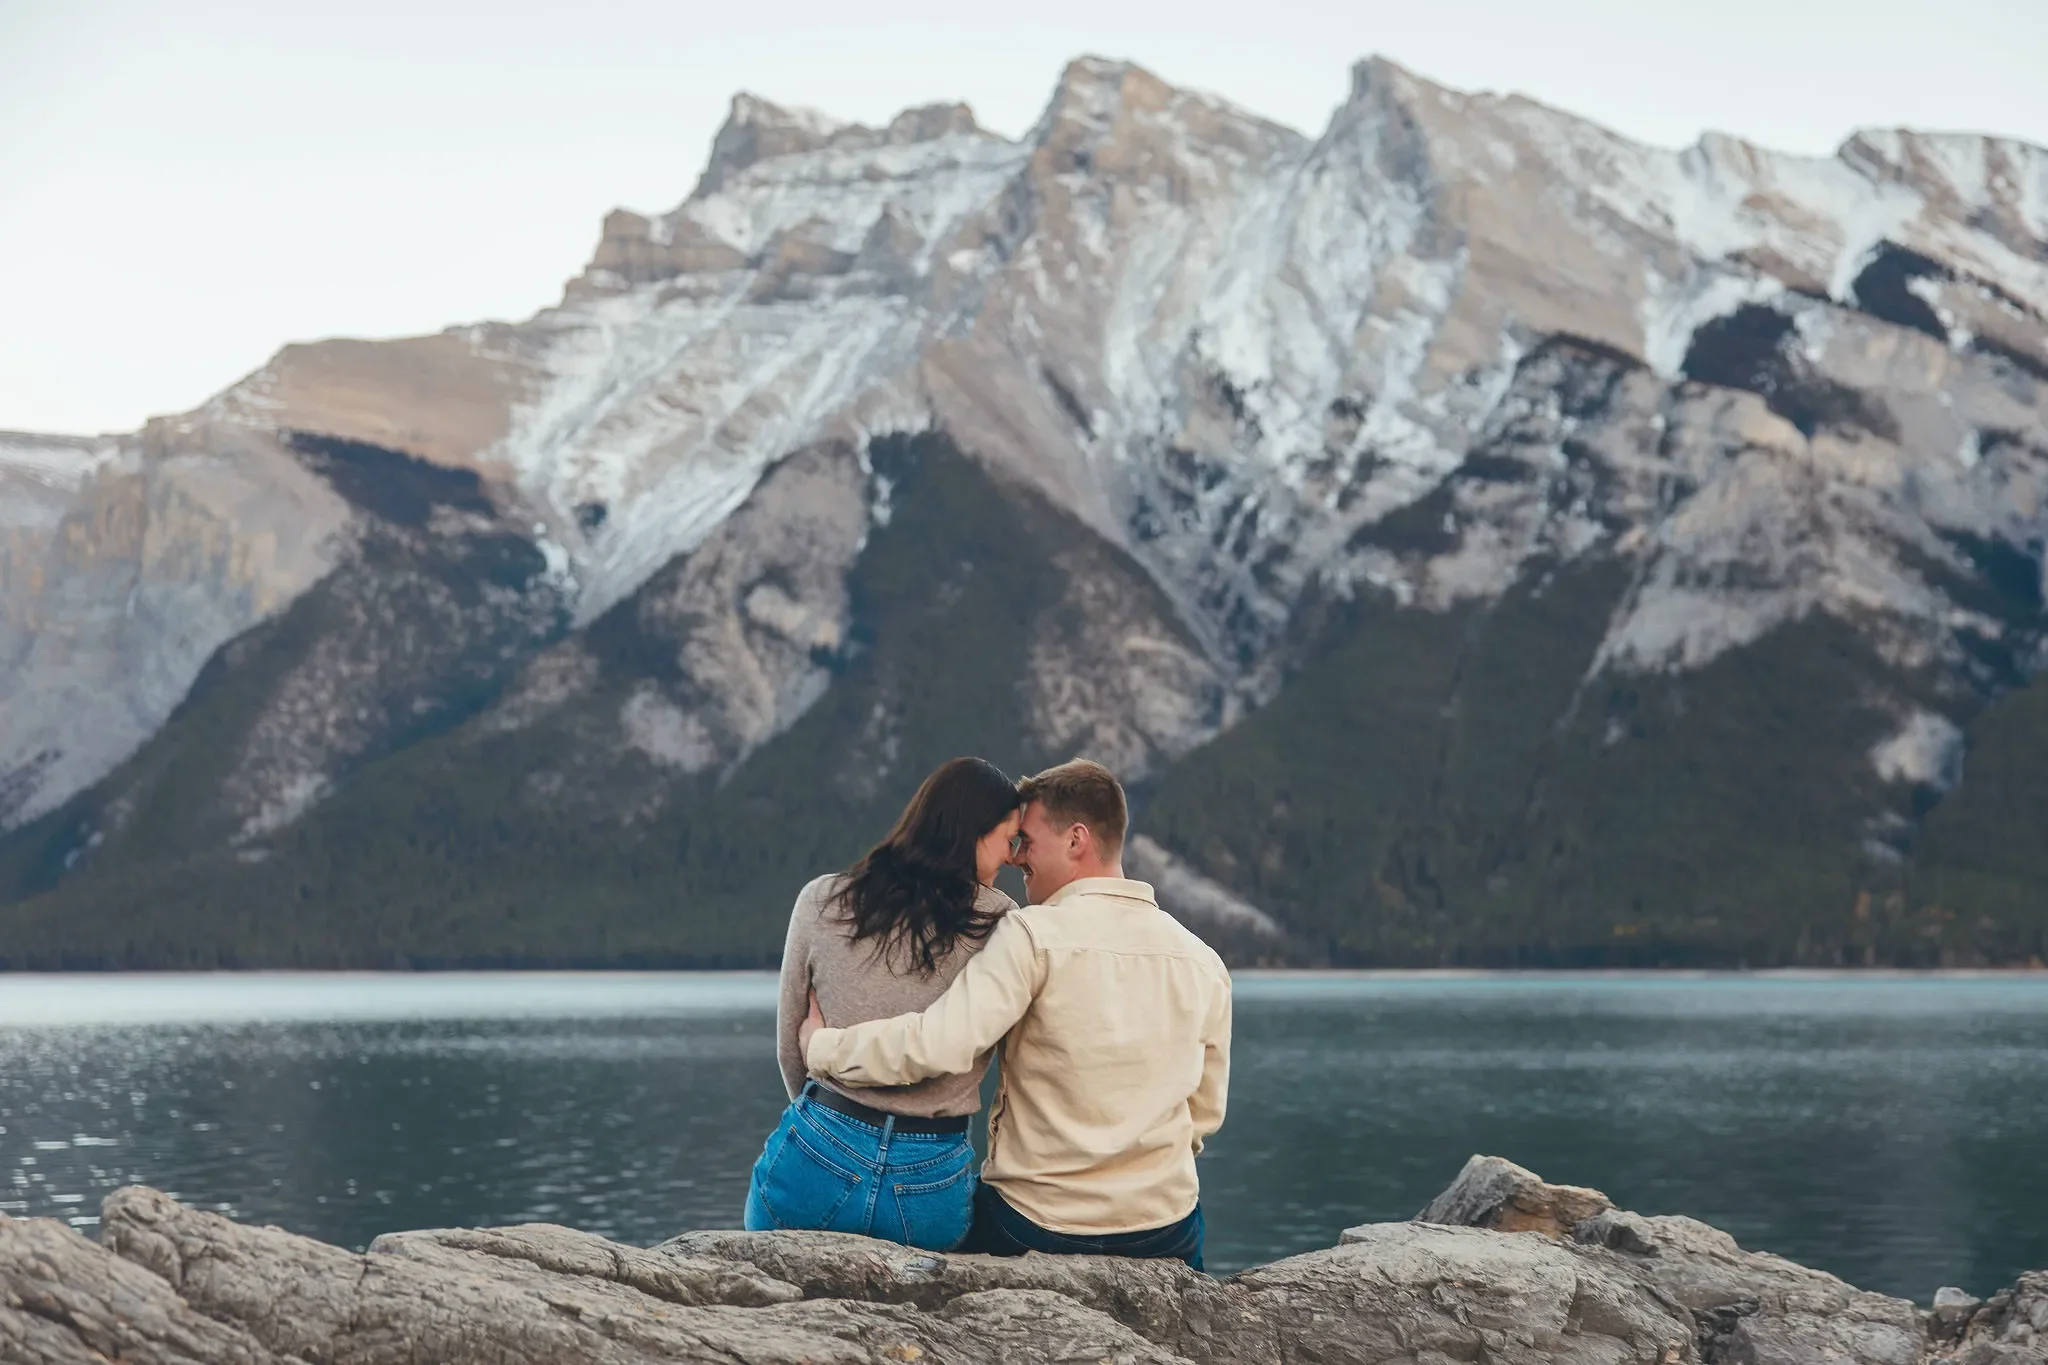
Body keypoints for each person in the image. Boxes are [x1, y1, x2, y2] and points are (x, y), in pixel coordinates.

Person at [802, 759, 1231, 1269]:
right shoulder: (1203, 960)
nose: (1016, 857)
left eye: (1026, 840)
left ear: (1076, 840)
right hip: (1164, 1230)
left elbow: (939, 1045)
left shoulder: (1032, 935)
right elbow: (1205, 1113)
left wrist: (822, 1047)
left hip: (1037, 1226)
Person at [744, 757, 1022, 1251]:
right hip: (928, 1184)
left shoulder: (822, 899)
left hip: (816, 1157)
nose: (1012, 856)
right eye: (1008, 838)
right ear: (974, 834)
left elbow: (793, 1050)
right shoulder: (1002, 923)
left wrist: (833, 1123)